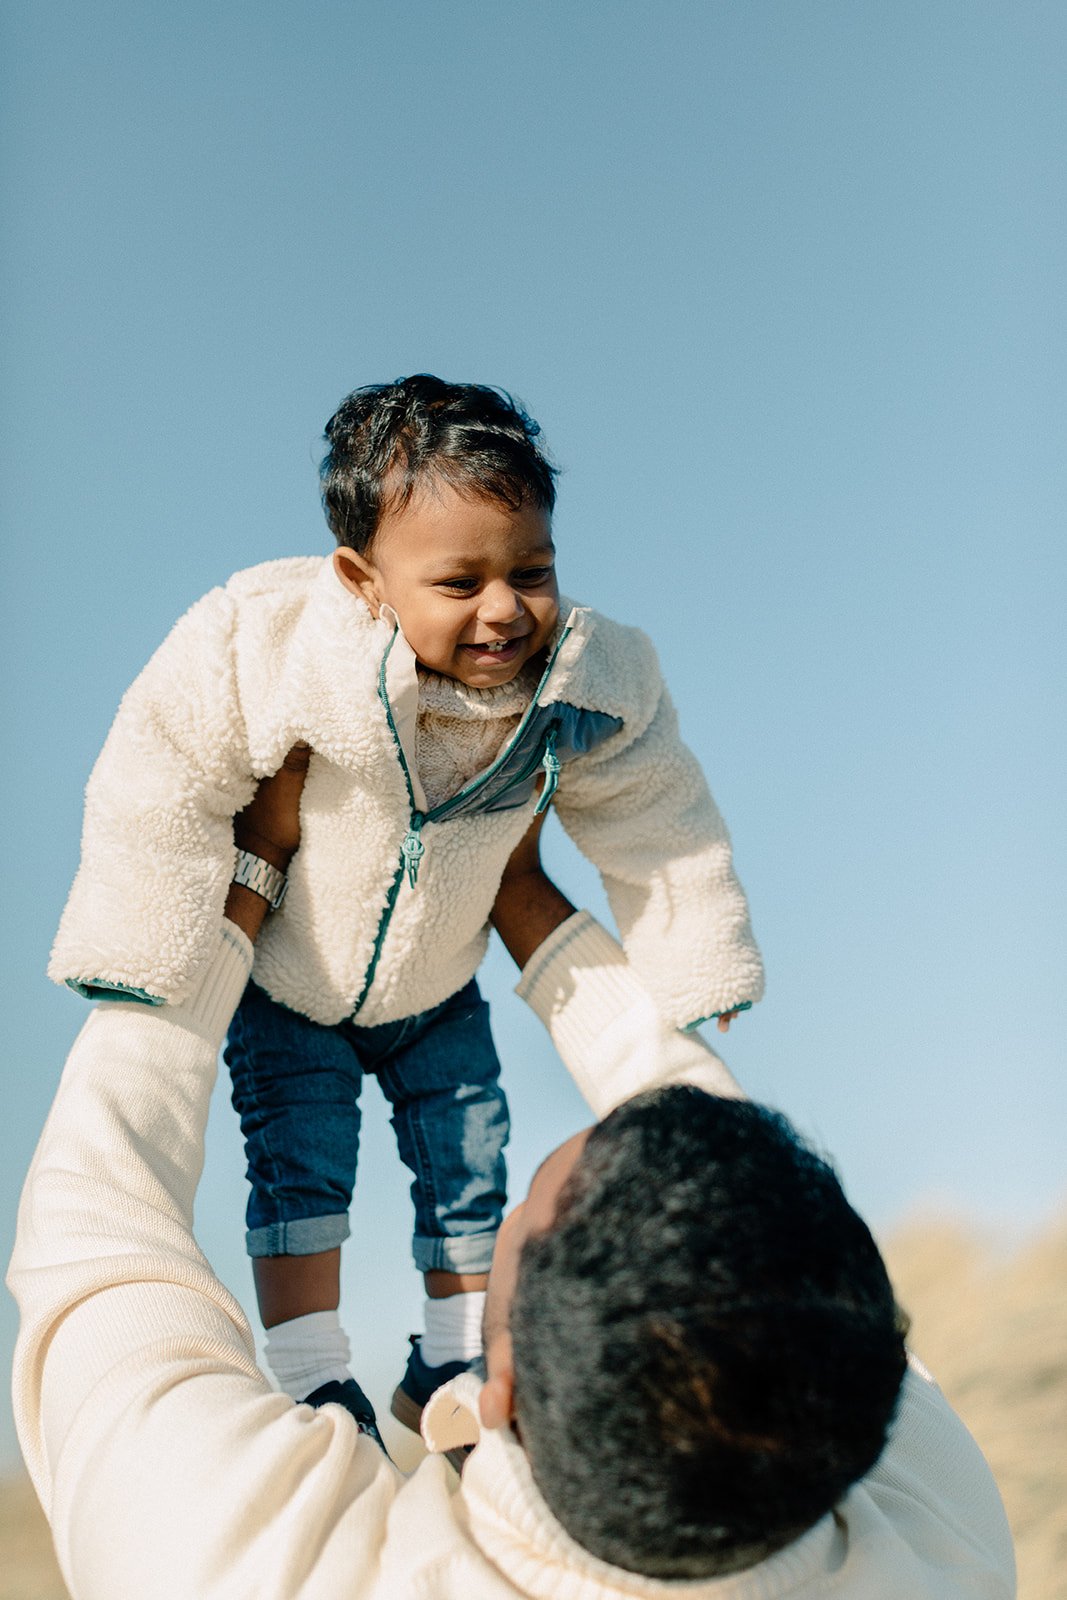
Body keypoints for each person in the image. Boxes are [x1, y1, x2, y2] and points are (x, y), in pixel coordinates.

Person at [9, 763, 1014, 1598]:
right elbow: (747, 1214)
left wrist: (249, 878)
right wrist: (521, 895)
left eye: (515, 1223)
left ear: (497, 1392)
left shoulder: (252, 1565)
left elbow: (94, 1227)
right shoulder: (937, 1543)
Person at [46, 374, 764, 1433]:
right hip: (293, 984)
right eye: (459, 580)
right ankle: (309, 1370)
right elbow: (164, 764)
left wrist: (697, 957)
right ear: (362, 578)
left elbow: (659, 810)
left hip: (440, 982)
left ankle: (450, 1362)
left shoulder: (583, 681)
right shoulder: (276, 643)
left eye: (532, 569)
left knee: (470, 1153)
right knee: (302, 1169)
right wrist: (141, 948)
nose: (504, 608)